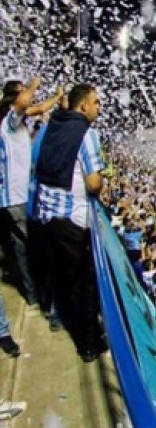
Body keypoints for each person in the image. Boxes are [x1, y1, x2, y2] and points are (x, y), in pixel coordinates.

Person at [27, 83, 105, 361]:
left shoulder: (53, 124)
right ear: (83, 105)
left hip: (45, 216)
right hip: (71, 220)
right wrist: (102, 181)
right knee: (85, 284)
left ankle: (65, 320)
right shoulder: (87, 133)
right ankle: (88, 343)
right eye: (96, 102)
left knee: (63, 279)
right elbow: (94, 183)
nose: (99, 107)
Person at [0, 78, 61, 318]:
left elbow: (39, 108)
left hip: (12, 199)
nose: (28, 95)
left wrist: (57, 96)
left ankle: (32, 294)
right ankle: (44, 300)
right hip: (16, 198)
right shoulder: (9, 122)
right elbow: (27, 103)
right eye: (23, 92)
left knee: (21, 248)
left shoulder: (16, 120)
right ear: (13, 99)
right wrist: (34, 84)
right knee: (36, 248)